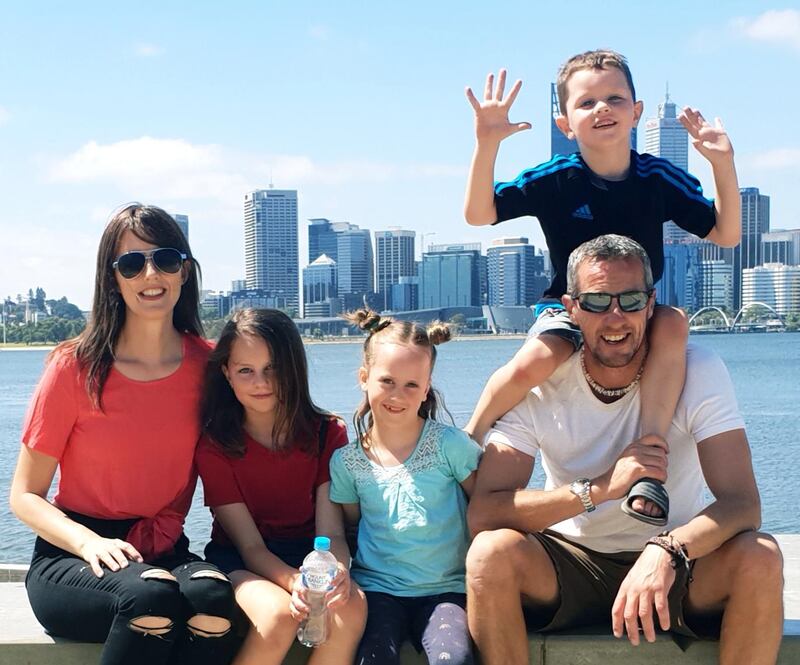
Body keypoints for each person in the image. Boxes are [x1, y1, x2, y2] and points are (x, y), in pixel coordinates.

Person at [465, 235, 784, 665]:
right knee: (489, 555)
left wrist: (668, 549)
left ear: (650, 305)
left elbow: (743, 505)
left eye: (630, 300)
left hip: (678, 564)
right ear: (571, 308)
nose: (615, 317)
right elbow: (486, 513)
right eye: (597, 302)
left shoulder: (699, 368)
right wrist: (597, 489)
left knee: (761, 556)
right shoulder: (541, 381)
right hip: (570, 562)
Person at [463, 49, 742, 524]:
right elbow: (479, 213)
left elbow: (726, 233)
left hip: (636, 306)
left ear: (636, 112)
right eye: (586, 102)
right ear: (565, 123)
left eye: (615, 98)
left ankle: (649, 456)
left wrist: (723, 164)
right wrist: (486, 142)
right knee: (536, 360)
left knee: (674, 324)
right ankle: (466, 440)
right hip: (568, 307)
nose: (602, 109)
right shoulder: (555, 178)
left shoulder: (658, 177)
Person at [9, 204, 237, 665]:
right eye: (132, 264)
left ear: (185, 271)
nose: (151, 275)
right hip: (73, 556)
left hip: (164, 551)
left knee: (214, 602)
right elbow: (24, 496)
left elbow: (255, 439)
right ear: (112, 279)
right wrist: (89, 543)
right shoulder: (74, 367)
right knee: (149, 600)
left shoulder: (209, 366)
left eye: (165, 259)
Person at [195, 308, 366, 665]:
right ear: (226, 373)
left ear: (294, 369)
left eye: (273, 368)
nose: (261, 382)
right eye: (246, 370)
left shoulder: (327, 433)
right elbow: (250, 546)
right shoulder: (214, 445)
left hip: (312, 556)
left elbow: (331, 533)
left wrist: (336, 573)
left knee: (351, 607)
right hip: (241, 561)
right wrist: (294, 583)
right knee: (278, 616)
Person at [329, 308, 482, 665]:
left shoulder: (451, 446)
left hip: (447, 592)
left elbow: (485, 505)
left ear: (426, 388)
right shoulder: (346, 462)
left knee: (454, 659)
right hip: (377, 592)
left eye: (412, 384)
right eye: (387, 381)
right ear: (364, 378)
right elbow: (351, 526)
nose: (398, 395)